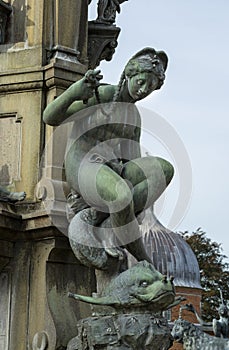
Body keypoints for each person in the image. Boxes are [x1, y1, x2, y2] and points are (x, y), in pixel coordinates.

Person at [43, 47, 174, 263]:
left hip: (111, 170)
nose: (143, 90)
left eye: (150, 87)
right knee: (121, 195)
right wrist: (75, 92)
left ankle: (111, 223)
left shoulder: (133, 117)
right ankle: (141, 257)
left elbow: (132, 163)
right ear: (129, 74)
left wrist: (122, 171)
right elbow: (51, 116)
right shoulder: (104, 95)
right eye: (141, 82)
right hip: (84, 164)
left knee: (164, 169)